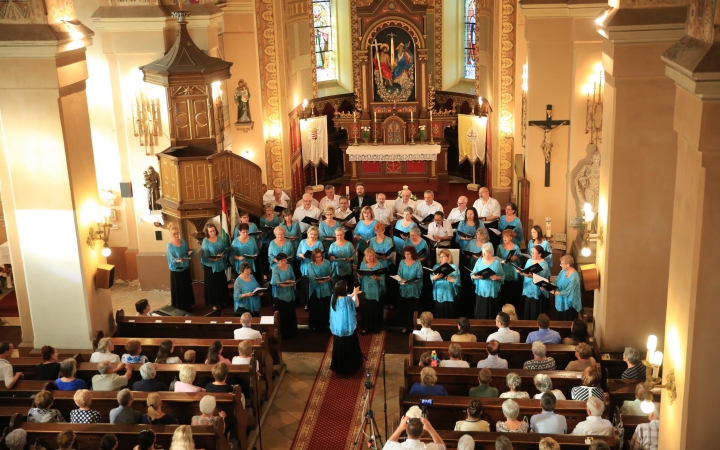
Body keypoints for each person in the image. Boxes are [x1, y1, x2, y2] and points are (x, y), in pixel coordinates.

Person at [329, 281, 364, 375]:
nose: (347, 287)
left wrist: (353, 293)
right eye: (346, 287)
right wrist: (355, 293)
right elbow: (356, 304)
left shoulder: (333, 298)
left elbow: (346, 298)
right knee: (349, 348)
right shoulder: (347, 300)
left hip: (338, 329)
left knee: (340, 349)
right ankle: (351, 367)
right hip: (347, 328)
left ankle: (339, 367)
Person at [201, 222, 229, 310]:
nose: (213, 233)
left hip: (220, 264)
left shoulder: (220, 238)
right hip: (210, 266)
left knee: (221, 283)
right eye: (210, 231)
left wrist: (222, 254)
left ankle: (222, 300)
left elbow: (224, 248)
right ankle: (214, 303)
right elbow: (205, 255)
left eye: (213, 230)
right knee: (212, 285)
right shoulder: (205, 241)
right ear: (207, 232)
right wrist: (213, 259)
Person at [517, 245, 550, 320]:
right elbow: (525, 271)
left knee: (535, 311)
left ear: (540, 254)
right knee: (528, 310)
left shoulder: (544, 264)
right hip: (528, 288)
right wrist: (521, 272)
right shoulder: (529, 261)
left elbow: (541, 277)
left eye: (534, 253)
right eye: (531, 252)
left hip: (537, 290)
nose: (532, 254)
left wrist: (531, 276)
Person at [472, 243, 504, 319]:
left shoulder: (496, 263)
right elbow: (472, 274)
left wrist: (496, 277)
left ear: (490, 253)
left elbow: (502, 276)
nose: (483, 255)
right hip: (481, 291)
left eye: (484, 253)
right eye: (482, 253)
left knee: (492, 313)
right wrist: (476, 277)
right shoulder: (479, 261)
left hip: (492, 291)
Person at [167, 225, 195, 312]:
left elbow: (186, 252)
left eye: (177, 233)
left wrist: (189, 253)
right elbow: (172, 259)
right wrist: (178, 260)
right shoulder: (170, 245)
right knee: (180, 289)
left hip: (185, 268)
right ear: (171, 235)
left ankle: (188, 305)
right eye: (174, 234)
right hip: (177, 271)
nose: (176, 235)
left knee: (186, 287)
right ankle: (181, 307)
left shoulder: (183, 241)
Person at [270, 252, 298, 339]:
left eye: (285, 260)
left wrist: (292, 281)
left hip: (289, 294)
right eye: (282, 261)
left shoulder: (289, 266)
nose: (284, 262)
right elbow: (278, 283)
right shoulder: (275, 269)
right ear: (277, 261)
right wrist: (289, 284)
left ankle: (292, 332)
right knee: (283, 315)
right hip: (280, 295)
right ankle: (283, 333)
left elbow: (293, 277)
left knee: (290, 313)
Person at [358, 248, 385, 334]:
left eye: (370, 256)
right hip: (366, 289)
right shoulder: (363, 264)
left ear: (374, 256)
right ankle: (366, 327)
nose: (368, 258)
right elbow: (360, 278)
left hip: (375, 290)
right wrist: (360, 277)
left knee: (375, 308)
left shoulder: (379, 265)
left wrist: (377, 278)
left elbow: (383, 278)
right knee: (366, 309)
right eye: (367, 256)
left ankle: (376, 327)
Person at [398, 246, 424, 334]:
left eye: (408, 254)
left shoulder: (417, 263)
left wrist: (410, 281)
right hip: (404, 289)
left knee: (413, 308)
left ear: (412, 254)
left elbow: (419, 276)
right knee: (405, 308)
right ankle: (405, 326)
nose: (406, 256)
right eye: (405, 254)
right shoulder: (402, 262)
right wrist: (401, 280)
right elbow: (399, 274)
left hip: (414, 289)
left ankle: (414, 326)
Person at [548, 254, 582, 320]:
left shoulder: (574, 277)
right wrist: (547, 286)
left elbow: (567, 292)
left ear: (568, 265)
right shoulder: (563, 271)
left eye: (562, 264)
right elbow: (556, 282)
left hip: (569, 305)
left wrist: (554, 292)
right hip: (560, 302)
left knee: (567, 322)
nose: (560, 265)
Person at [306, 248, 333, 332]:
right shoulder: (310, 265)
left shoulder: (327, 262)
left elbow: (330, 273)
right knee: (317, 308)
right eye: (317, 257)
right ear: (313, 257)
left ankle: (326, 324)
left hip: (326, 288)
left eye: (320, 256)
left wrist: (328, 278)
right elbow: (312, 277)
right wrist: (320, 281)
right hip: (316, 289)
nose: (319, 258)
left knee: (326, 306)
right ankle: (317, 326)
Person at [430, 250, 460, 318]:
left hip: (448, 293)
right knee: (439, 312)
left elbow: (457, 280)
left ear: (448, 257)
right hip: (438, 292)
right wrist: (436, 277)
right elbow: (432, 278)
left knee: (449, 313)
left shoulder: (454, 267)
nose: (441, 258)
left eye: (443, 257)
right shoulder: (436, 266)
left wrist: (446, 277)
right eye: (440, 257)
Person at [496, 229, 521, 308]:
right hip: (503, 270)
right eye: (503, 236)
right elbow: (497, 259)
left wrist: (516, 258)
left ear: (511, 237)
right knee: (504, 293)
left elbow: (520, 261)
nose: (504, 238)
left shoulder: (516, 247)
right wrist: (502, 261)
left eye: (506, 236)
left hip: (513, 271)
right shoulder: (499, 247)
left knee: (513, 292)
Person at [259, 203, 280, 281]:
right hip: (265, 239)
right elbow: (262, 229)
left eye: (270, 210)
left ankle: (273, 271)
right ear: (265, 210)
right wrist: (268, 230)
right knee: (264, 257)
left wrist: (274, 230)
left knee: (274, 255)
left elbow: (279, 227)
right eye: (267, 210)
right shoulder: (262, 218)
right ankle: (265, 274)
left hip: (274, 238)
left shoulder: (276, 218)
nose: (269, 212)